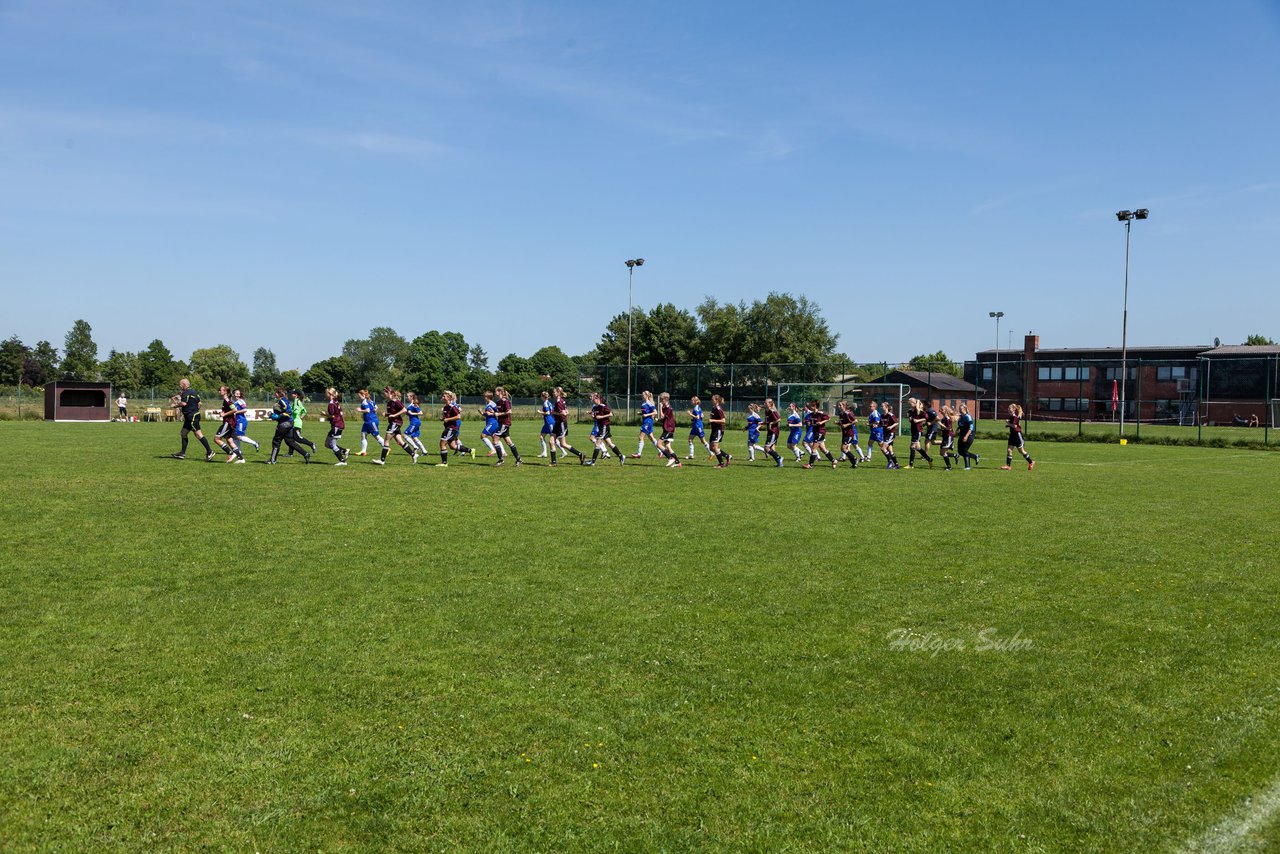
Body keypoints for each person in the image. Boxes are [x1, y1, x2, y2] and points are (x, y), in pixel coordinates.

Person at [171, 378, 215, 461]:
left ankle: (210, 452)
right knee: (183, 433)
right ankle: (182, 453)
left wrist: (175, 405)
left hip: (192, 416)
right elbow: (199, 402)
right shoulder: (194, 392)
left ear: (184, 384)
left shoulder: (185, 392)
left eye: (180, 384)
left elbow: (183, 403)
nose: (179, 386)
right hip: (191, 415)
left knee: (198, 434)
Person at [375, 387, 419, 465]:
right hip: (394, 423)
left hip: (395, 423)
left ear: (389, 392)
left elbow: (404, 410)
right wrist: (386, 414)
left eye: (385, 392)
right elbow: (392, 413)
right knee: (400, 441)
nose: (383, 394)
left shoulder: (396, 401)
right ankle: (413, 454)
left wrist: (394, 415)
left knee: (386, 441)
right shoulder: (389, 402)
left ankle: (382, 460)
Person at [267, 386, 311, 464]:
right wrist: (275, 416)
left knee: (276, 441)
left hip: (284, 424)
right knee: (290, 441)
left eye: (276, 392)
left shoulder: (281, 401)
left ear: (278, 393)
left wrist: (277, 416)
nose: (274, 393)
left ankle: (272, 460)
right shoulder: (284, 400)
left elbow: (288, 412)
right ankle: (305, 454)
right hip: (289, 423)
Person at [549, 386, 586, 466]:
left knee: (563, 444)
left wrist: (554, 412)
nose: (553, 393)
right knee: (551, 441)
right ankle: (554, 462)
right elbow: (567, 411)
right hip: (557, 423)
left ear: (558, 393)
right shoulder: (561, 400)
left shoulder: (559, 402)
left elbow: (564, 413)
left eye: (554, 392)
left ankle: (580, 454)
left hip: (561, 423)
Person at [436, 391, 475, 466]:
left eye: (444, 396)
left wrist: (448, 420)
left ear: (448, 397)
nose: (442, 397)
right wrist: (443, 418)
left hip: (451, 428)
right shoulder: (445, 407)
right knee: (453, 446)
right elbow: (447, 416)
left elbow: (458, 416)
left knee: (442, 444)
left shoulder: (452, 406)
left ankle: (444, 462)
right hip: (449, 427)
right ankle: (470, 450)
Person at [588, 392, 625, 465]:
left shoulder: (603, 406)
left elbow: (611, 414)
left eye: (593, 398)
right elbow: (595, 416)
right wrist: (593, 416)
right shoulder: (595, 407)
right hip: (600, 426)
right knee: (609, 444)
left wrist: (601, 417)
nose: (592, 400)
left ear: (597, 398)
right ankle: (621, 456)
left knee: (598, 443)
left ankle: (592, 462)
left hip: (604, 426)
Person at [492, 386, 523, 466]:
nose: (495, 393)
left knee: (495, 439)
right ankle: (519, 459)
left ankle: (500, 460)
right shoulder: (498, 402)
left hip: (505, 423)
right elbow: (498, 412)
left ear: (500, 392)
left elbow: (509, 411)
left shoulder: (505, 401)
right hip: (501, 423)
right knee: (509, 442)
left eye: (496, 391)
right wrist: (493, 412)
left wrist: (499, 414)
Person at [213, 385, 244, 463]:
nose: (219, 391)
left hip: (228, 422)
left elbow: (234, 410)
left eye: (220, 390)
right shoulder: (226, 400)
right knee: (230, 441)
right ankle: (241, 459)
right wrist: (219, 413)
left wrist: (225, 414)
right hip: (230, 422)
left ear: (225, 392)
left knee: (216, 439)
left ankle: (230, 453)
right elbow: (228, 411)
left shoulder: (227, 400)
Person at [1001, 403, 1035, 471]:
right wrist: (1008, 425)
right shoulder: (1011, 416)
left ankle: (1031, 462)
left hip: (1017, 435)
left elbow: (1015, 426)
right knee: (1009, 450)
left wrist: (1008, 423)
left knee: (1021, 451)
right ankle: (1008, 466)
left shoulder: (1015, 417)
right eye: (1008, 408)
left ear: (1013, 409)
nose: (1008, 409)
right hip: (1012, 435)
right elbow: (1013, 425)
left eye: (1009, 408)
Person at [804, 401, 836, 469]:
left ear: (815, 406)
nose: (810, 407)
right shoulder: (812, 414)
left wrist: (821, 422)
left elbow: (828, 418)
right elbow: (810, 421)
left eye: (811, 406)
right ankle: (834, 461)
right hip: (815, 432)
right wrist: (809, 423)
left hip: (820, 432)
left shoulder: (820, 413)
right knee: (823, 449)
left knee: (813, 449)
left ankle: (810, 465)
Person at [286, 390, 318, 458]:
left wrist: (288, 412)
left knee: (298, 438)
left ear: (296, 395)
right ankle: (290, 453)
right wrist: (302, 416)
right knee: (291, 438)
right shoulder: (297, 401)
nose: (291, 394)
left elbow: (296, 411)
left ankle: (311, 444)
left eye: (292, 393)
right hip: (294, 422)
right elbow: (304, 411)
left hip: (296, 423)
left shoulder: (296, 401)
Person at [325, 387, 351, 465]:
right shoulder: (336, 402)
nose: (325, 394)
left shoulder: (331, 404)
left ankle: (342, 461)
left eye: (325, 393)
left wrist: (325, 415)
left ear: (329, 394)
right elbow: (338, 414)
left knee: (332, 445)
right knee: (327, 444)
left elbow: (332, 416)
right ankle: (345, 451)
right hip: (338, 424)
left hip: (337, 425)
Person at [657, 391, 683, 467]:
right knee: (668, 447)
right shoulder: (666, 407)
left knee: (658, 444)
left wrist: (660, 407)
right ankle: (678, 462)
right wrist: (657, 420)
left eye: (662, 399)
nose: (661, 401)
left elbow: (662, 416)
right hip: (667, 428)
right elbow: (663, 419)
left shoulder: (669, 408)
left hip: (669, 429)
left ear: (666, 399)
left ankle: (670, 458)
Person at [632, 390, 660, 458]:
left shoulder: (649, 403)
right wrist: (641, 413)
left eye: (643, 395)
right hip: (646, 421)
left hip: (648, 422)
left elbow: (655, 412)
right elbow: (646, 412)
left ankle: (638, 454)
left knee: (641, 437)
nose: (642, 396)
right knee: (651, 438)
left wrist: (647, 415)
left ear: (646, 396)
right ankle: (660, 451)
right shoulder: (643, 403)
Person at [905, 398, 932, 469]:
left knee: (912, 447)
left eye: (910, 403)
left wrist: (918, 420)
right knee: (918, 448)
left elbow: (926, 418)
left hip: (918, 430)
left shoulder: (919, 411)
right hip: (913, 430)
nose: (909, 404)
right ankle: (929, 459)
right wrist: (910, 419)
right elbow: (910, 419)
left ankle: (911, 465)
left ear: (914, 403)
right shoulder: (910, 411)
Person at [707, 394, 731, 468]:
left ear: (717, 400)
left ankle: (721, 464)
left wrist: (712, 420)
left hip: (719, 430)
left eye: (713, 399)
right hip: (714, 430)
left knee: (715, 447)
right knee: (711, 448)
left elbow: (723, 421)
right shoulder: (713, 408)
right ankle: (727, 456)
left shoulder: (718, 409)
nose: (711, 400)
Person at [356, 389, 383, 456]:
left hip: (371, 421)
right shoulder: (370, 401)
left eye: (360, 396)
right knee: (363, 435)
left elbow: (367, 410)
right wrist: (373, 410)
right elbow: (376, 407)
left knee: (376, 436)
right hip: (367, 421)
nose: (359, 398)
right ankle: (363, 451)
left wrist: (360, 410)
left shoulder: (365, 402)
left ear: (363, 395)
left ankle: (386, 447)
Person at [836, 400, 860, 469]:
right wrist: (838, 423)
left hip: (849, 433)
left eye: (840, 405)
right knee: (843, 449)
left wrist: (847, 425)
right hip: (844, 433)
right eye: (839, 405)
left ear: (844, 406)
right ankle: (854, 462)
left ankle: (854, 459)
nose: (839, 406)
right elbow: (842, 423)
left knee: (843, 448)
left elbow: (855, 421)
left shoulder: (848, 413)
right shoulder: (841, 414)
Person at [956, 402, 979, 470]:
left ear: (965, 409)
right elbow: (960, 426)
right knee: (960, 451)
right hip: (961, 435)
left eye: (961, 409)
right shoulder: (961, 417)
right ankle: (975, 456)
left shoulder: (968, 417)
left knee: (964, 450)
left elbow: (971, 428)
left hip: (969, 435)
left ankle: (967, 466)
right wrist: (956, 431)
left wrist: (966, 436)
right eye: (959, 409)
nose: (960, 411)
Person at [762, 398, 783, 467]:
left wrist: (771, 423)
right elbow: (768, 421)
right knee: (769, 448)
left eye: (766, 403)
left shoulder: (772, 411)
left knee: (766, 448)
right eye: (764, 403)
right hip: (770, 431)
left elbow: (779, 419)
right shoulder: (766, 411)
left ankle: (779, 458)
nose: (764, 404)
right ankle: (779, 462)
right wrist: (762, 423)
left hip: (774, 431)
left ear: (770, 404)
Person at [880, 403, 902, 470]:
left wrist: (891, 426)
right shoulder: (882, 415)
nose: (881, 407)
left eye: (882, 406)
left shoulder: (890, 415)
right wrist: (876, 425)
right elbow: (881, 424)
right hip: (885, 434)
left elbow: (896, 422)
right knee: (890, 450)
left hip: (890, 434)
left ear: (886, 407)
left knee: (883, 448)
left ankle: (890, 461)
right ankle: (896, 465)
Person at [479, 391, 500, 456]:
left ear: (488, 397)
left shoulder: (492, 404)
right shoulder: (488, 404)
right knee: (494, 438)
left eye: (485, 396)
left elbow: (497, 413)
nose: (484, 397)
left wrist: (491, 413)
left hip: (492, 422)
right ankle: (504, 452)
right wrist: (481, 413)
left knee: (483, 436)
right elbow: (487, 414)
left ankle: (493, 450)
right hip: (490, 422)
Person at [938, 405, 958, 471]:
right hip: (945, 436)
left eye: (942, 409)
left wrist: (940, 424)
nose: (940, 410)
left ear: (945, 411)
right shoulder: (943, 418)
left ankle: (949, 467)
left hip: (948, 436)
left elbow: (948, 429)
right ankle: (955, 455)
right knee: (941, 453)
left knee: (943, 453)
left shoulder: (947, 418)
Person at [538, 391, 555, 457]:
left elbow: (548, 413)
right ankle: (544, 453)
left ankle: (564, 451)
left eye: (541, 396)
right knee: (541, 437)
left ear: (542, 396)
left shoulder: (545, 403)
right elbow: (552, 410)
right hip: (546, 423)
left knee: (553, 439)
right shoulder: (549, 403)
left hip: (549, 422)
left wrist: (540, 412)